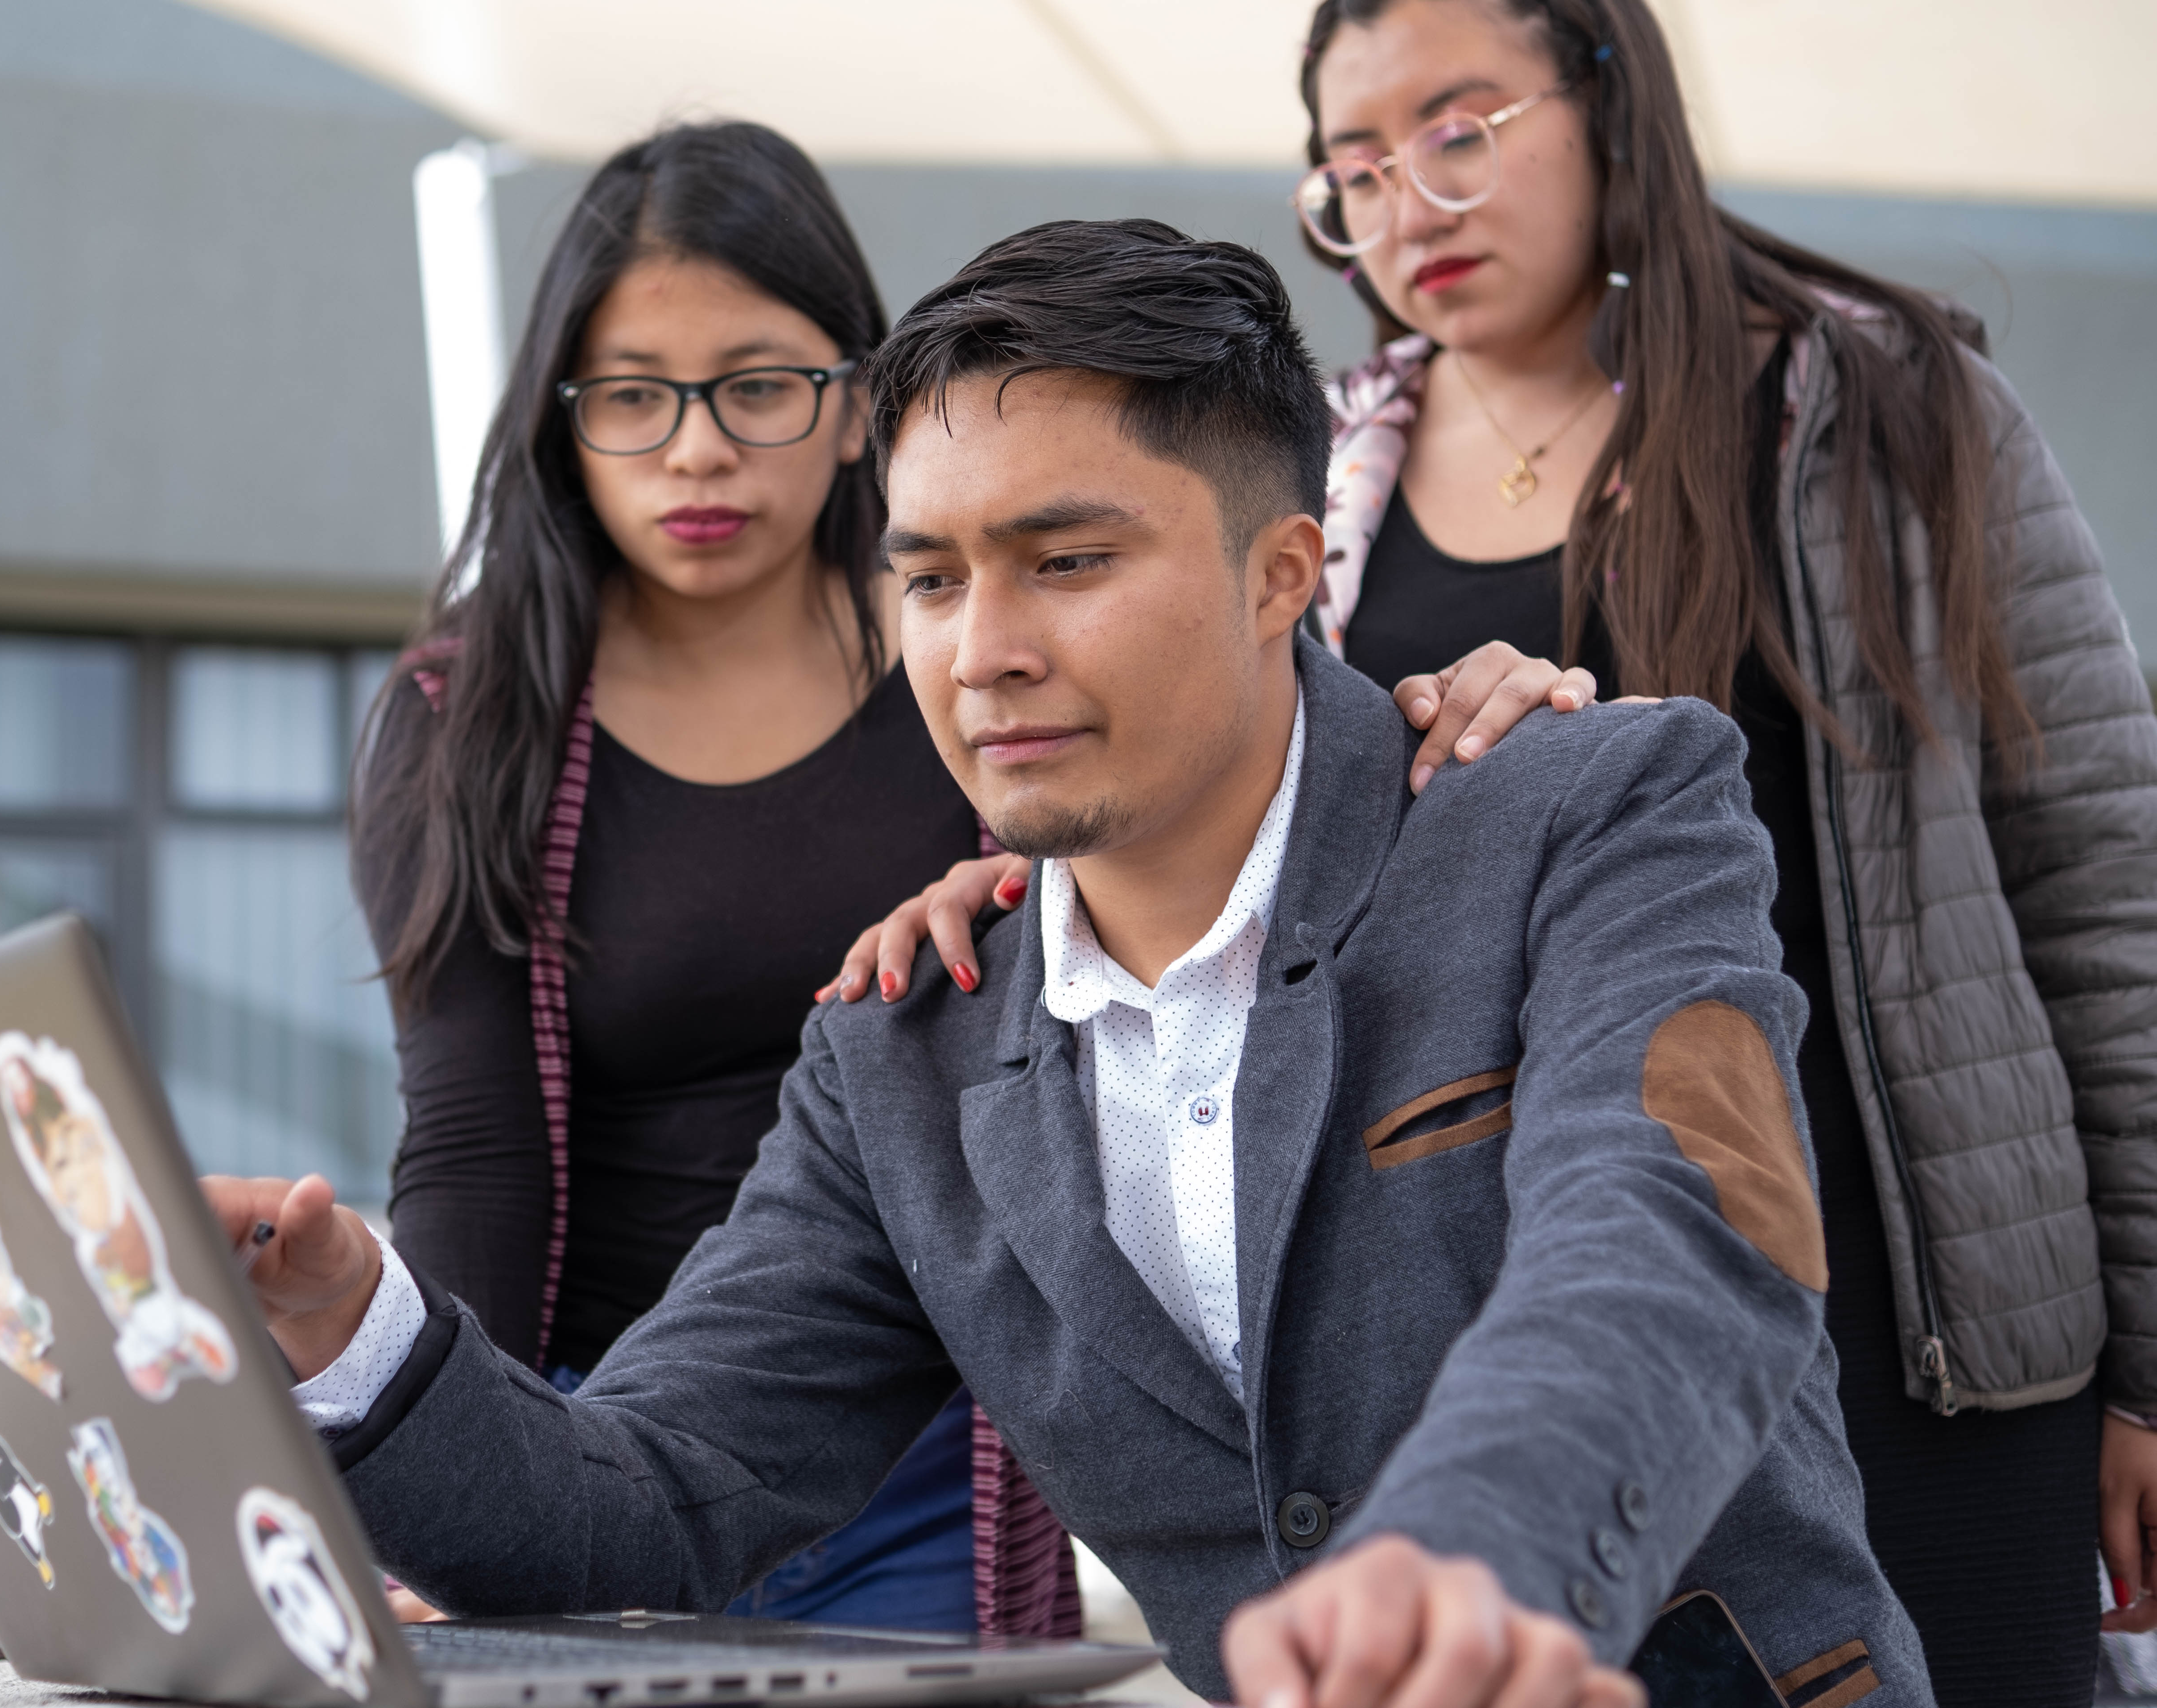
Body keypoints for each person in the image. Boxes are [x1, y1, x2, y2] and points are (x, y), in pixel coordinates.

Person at [209, 218, 1927, 1708]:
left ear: (1284, 571)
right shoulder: (909, 1045)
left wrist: (1464, 1553)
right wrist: (350, 1326)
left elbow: (1670, 1242)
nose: (984, 652)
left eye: (1069, 562)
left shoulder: (1588, 805)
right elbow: (647, 1494)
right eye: (932, 580)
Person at [831, 3, 2157, 1701]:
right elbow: (1218, 814)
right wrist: (1019, 894)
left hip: (1916, 1302)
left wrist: (2143, 1370)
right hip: (1513, 1323)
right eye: (1355, 171)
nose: (1407, 210)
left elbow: (2100, 886)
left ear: (1612, 102)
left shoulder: (1885, 407)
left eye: (1457, 135)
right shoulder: (1331, 468)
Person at [349, 121, 1071, 1634]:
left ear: (862, 403)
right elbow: (473, 1147)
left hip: (924, 1461)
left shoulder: (985, 662)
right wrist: (433, 1491)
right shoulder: (466, 716)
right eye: (633, 398)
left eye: (758, 387)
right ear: (564, 419)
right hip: (584, 1446)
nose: (696, 450)